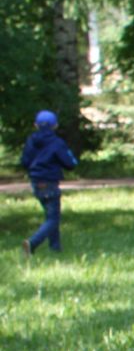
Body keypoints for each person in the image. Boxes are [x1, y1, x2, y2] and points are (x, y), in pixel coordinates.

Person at [20, 110, 78, 258]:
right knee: (53, 219)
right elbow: (70, 163)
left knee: (50, 216)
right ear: (55, 125)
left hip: (35, 181)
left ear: (35, 125)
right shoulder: (57, 142)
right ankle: (32, 243)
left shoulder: (31, 141)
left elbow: (24, 161)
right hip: (50, 182)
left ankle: (55, 248)